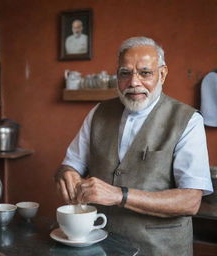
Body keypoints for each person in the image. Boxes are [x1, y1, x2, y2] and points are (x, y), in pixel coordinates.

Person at [55, 36, 213, 256]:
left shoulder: (188, 120)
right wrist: (67, 173)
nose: (134, 82)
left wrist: (120, 195)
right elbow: (70, 164)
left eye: (145, 73)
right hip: (100, 245)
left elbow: (190, 201)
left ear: (163, 74)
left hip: (160, 249)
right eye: (125, 73)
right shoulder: (98, 113)